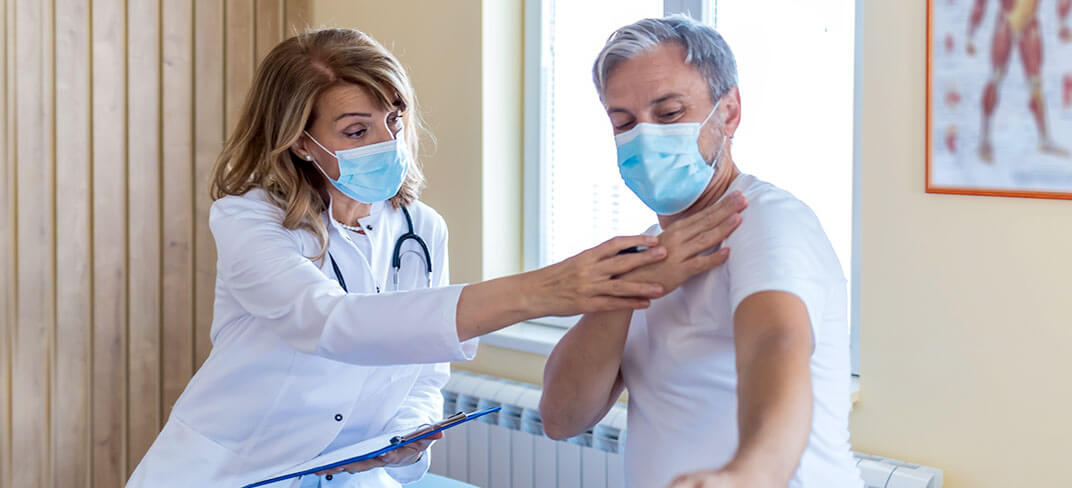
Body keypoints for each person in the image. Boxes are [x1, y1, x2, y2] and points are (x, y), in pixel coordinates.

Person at [126, 28, 744, 488]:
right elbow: (329, 324)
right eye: (357, 130)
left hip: (351, 475)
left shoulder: (420, 229)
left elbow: (427, 369)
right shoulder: (248, 217)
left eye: (393, 121)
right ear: (298, 140)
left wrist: (409, 434)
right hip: (233, 469)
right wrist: (547, 290)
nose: (388, 142)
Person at [539, 16, 864, 488]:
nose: (645, 138)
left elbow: (777, 342)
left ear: (728, 112)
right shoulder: (650, 250)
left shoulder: (766, 219)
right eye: (624, 123)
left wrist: (748, 475)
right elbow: (561, 417)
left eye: (669, 114)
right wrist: (634, 282)